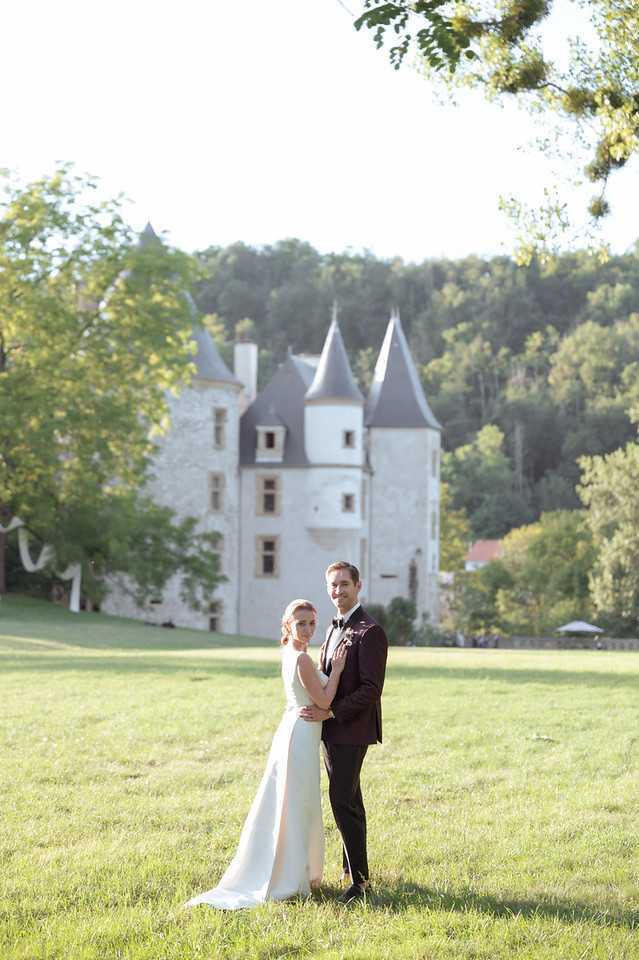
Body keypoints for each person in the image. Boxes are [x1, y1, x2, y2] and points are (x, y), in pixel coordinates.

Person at [186, 598, 346, 910]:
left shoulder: (291, 654)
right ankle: (291, 876)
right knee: (296, 805)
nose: (308, 629)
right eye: (301, 623)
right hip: (299, 735)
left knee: (291, 803)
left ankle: (297, 870)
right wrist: (337, 670)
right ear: (288, 625)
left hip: (293, 729)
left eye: (313, 623)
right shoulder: (300, 659)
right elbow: (325, 701)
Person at [299, 561, 388, 904]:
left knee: (341, 800)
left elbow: (370, 689)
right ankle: (352, 870)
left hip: (351, 729)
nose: (338, 591)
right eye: (333, 586)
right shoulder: (334, 628)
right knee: (351, 800)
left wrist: (331, 711)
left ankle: (360, 884)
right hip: (330, 728)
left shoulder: (370, 631)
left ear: (358, 586)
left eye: (344, 585)